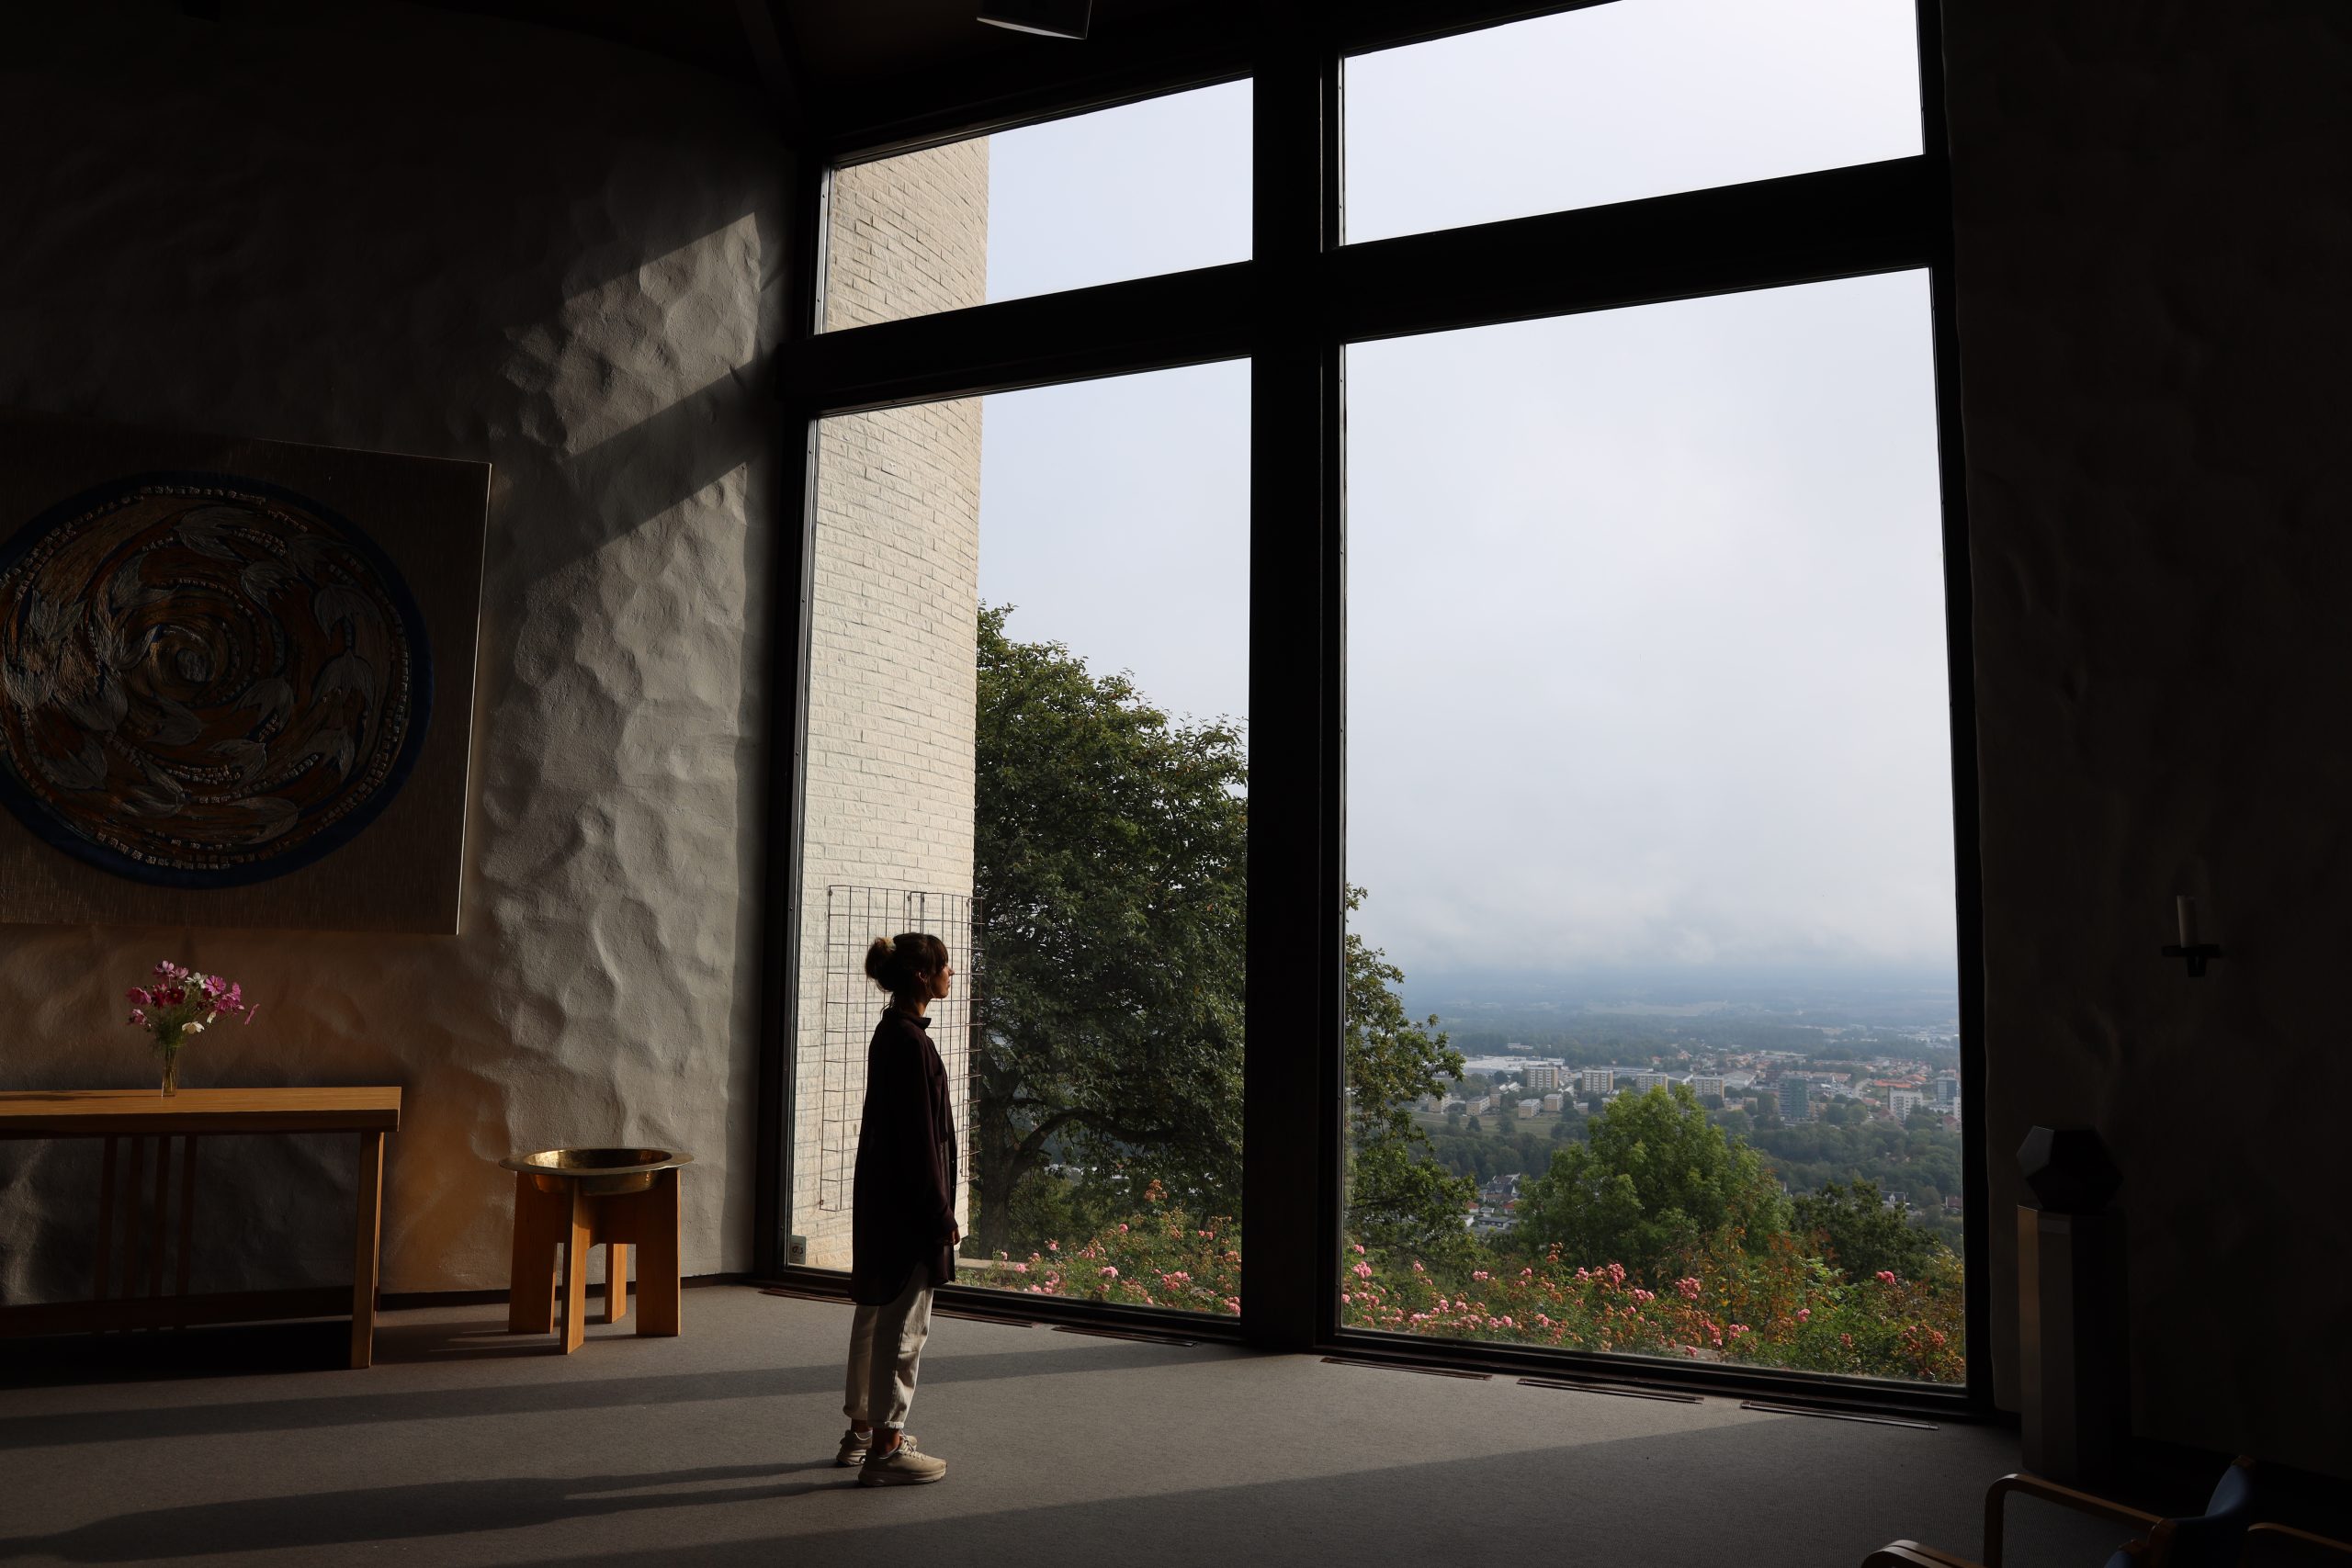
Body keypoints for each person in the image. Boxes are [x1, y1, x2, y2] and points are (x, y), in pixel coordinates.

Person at [837, 931, 958, 1486]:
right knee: (905, 1323)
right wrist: (939, 1215)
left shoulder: (891, 1035)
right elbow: (920, 1143)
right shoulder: (911, 1045)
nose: (950, 975)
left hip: (884, 1200)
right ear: (921, 977)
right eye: (945, 968)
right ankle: (887, 1445)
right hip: (909, 1208)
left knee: (876, 1312)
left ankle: (861, 1433)